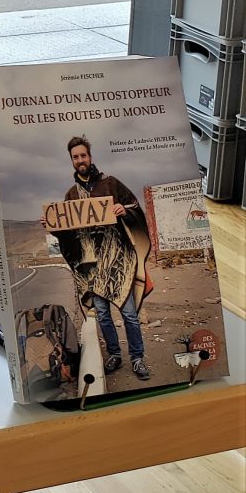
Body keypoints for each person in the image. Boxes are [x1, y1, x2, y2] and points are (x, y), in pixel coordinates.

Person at [43, 136, 153, 381]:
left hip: (118, 261)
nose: (80, 160)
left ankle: (137, 358)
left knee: (129, 314)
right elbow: (69, 232)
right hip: (92, 266)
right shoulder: (72, 195)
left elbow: (134, 206)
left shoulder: (111, 184)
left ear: (90, 157)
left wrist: (125, 211)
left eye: (83, 155)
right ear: (71, 161)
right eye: (75, 157)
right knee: (103, 314)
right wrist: (53, 226)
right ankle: (114, 354)